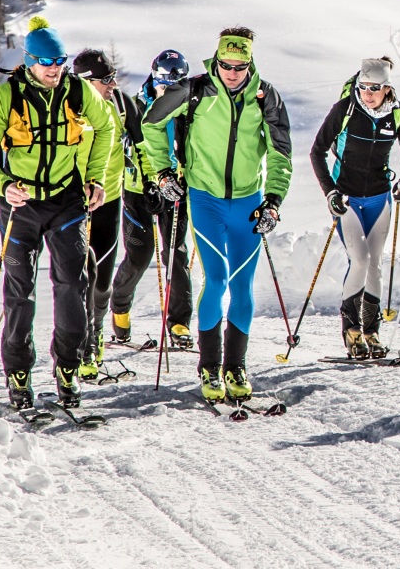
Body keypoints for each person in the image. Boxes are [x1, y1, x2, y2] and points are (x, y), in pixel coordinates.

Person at [0, 16, 117, 409]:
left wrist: (94, 177)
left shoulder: (78, 91)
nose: (54, 69)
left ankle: (67, 368)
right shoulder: (8, 96)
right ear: (29, 60)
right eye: (46, 62)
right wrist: (4, 185)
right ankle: (18, 373)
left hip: (67, 200)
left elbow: (106, 128)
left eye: (60, 61)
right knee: (21, 291)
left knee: (74, 283)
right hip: (21, 205)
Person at [141, 28, 292, 402]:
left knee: (242, 285)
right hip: (205, 197)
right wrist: (162, 172)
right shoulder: (194, 90)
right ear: (217, 59)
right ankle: (209, 366)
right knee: (218, 278)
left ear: (250, 63)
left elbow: (280, 153)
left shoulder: (266, 96)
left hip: (248, 201)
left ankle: (235, 366)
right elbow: (150, 123)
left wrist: (273, 201)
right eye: (226, 64)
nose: (232, 72)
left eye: (240, 66)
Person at [309, 57, 400, 358]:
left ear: (387, 89)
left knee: (375, 265)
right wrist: (330, 192)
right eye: (363, 86)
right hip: (346, 199)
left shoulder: (398, 115)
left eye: (374, 88)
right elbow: (317, 151)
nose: (367, 93)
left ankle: (372, 332)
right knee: (359, 259)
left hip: (379, 197)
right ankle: (352, 330)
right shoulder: (345, 110)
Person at [108, 50, 195, 350]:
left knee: (176, 255)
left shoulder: (187, 108)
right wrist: (150, 182)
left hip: (176, 189)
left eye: (176, 83)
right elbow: (129, 147)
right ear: (153, 76)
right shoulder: (137, 106)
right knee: (139, 257)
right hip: (138, 191)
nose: (168, 89)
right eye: (163, 81)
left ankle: (179, 322)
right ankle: (119, 310)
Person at [69, 48, 140, 379]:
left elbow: (141, 145)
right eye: (105, 79)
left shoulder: (121, 104)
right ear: (85, 82)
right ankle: (79, 344)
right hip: (71, 203)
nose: (113, 84)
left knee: (101, 279)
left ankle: (95, 333)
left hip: (109, 200)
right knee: (77, 279)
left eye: (114, 77)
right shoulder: (67, 106)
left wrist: (151, 184)